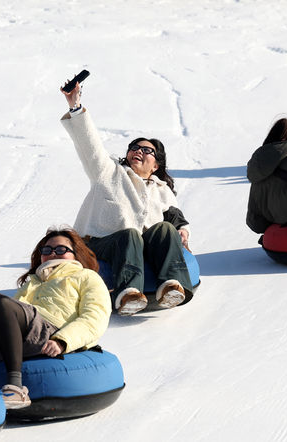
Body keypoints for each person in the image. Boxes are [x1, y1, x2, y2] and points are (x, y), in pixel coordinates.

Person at [59, 77, 194, 316]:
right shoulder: (109, 171)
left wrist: (182, 231)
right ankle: (128, 293)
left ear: (155, 165)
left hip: (139, 247)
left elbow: (174, 218)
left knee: (163, 229)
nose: (138, 151)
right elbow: (90, 146)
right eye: (134, 147)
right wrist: (76, 108)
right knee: (130, 234)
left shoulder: (160, 188)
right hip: (101, 242)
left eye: (146, 150)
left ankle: (171, 286)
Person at [0, 227, 111, 409]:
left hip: (51, 330)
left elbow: (95, 317)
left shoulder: (86, 276)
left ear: (75, 254)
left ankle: (15, 387)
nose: (53, 253)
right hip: (22, 331)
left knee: (2, 304)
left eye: (61, 249)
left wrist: (63, 341)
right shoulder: (33, 281)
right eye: (46, 250)